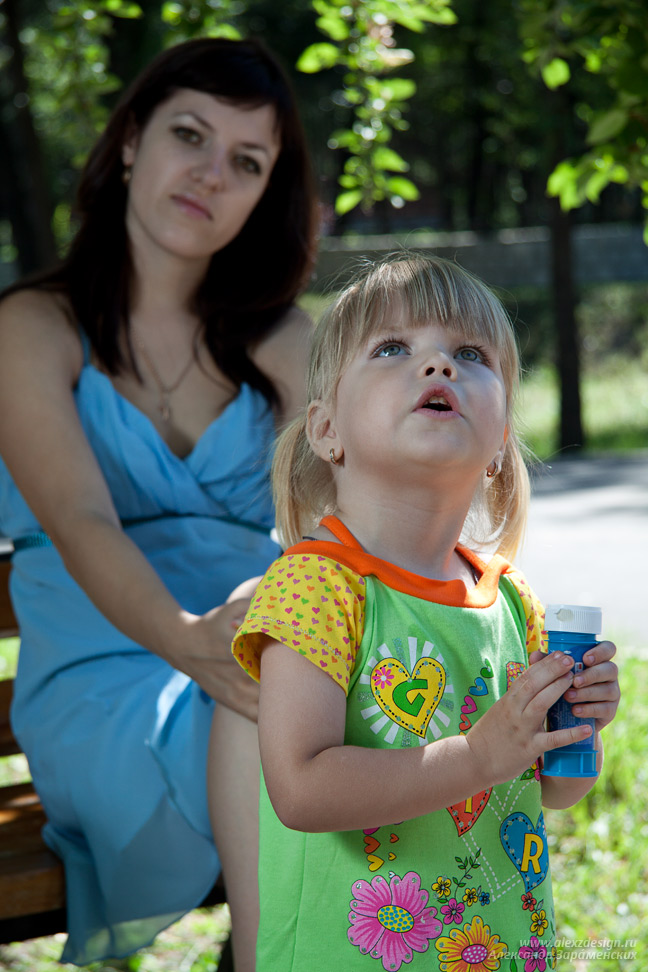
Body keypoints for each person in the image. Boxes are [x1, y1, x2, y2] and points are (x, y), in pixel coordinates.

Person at [0, 36, 316, 970]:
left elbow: (353, 517)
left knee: (324, 695)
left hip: (248, 652)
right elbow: (82, 521)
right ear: (132, 141)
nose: (211, 175)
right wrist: (191, 641)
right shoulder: (33, 328)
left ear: (266, 192)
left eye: (247, 161)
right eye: (190, 134)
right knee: (278, 705)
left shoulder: (282, 341)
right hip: (110, 670)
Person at [233, 255, 621, 971]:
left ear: (502, 442)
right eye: (393, 349)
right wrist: (476, 756)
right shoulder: (317, 585)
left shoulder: (512, 599)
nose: (438, 365)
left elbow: (557, 791)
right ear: (325, 431)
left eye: (469, 355)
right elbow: (301, 788)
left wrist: (579, 729)